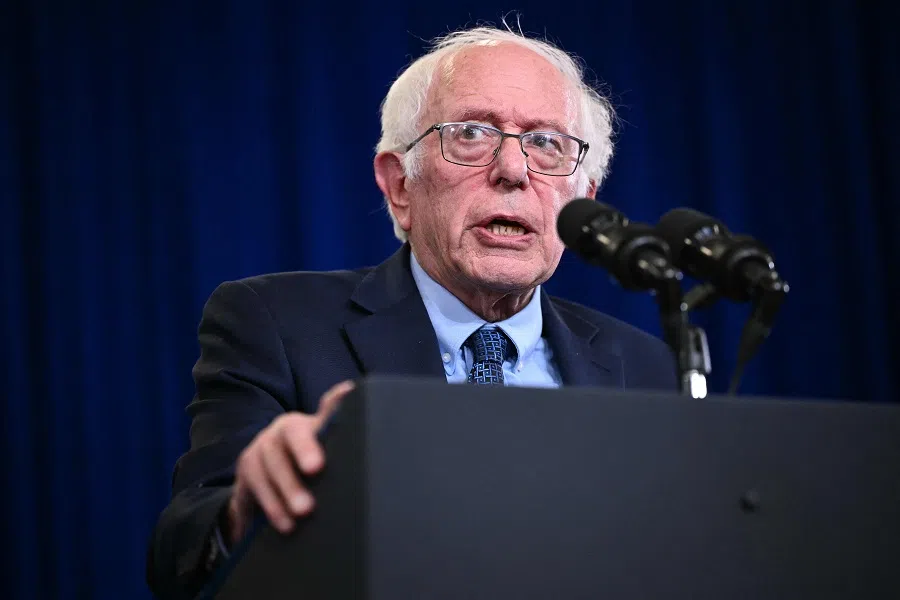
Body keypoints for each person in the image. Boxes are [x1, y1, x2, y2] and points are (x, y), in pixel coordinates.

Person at [146, 23, 676, 599]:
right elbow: (181, 556)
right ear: (399, 186)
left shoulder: (644, 366)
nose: (514, 170)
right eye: (472, 133)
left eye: (547, 143)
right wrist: (245, 509)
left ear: (584, 201)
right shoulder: (273, 323)